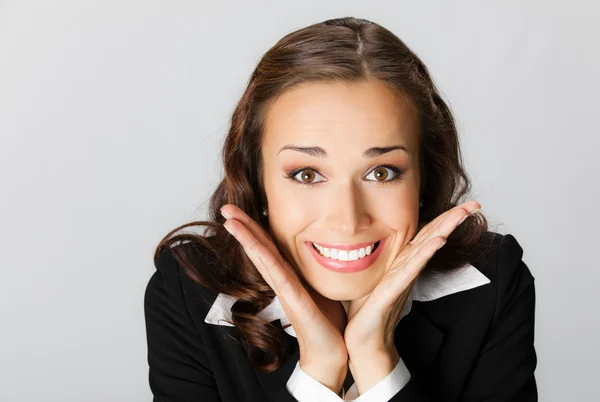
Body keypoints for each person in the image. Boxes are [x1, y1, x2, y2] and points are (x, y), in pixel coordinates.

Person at [143, 16, 537, 401]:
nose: (348, 221)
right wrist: (319, 371)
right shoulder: (189, 291)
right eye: (307, 175)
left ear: (424, 179)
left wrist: (376, 360)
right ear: (257, 180)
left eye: (381, 173)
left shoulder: (493, 283)